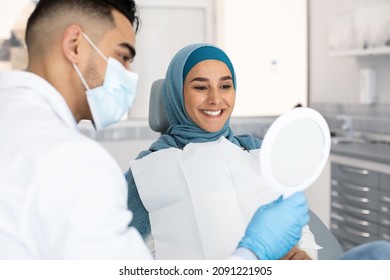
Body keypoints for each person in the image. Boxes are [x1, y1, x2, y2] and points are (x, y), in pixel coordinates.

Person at [0, 0, 309, 260]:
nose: (129, 76)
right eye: (122, 56)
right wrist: (254, 253)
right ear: (74, 45)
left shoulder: (255, 150)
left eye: (225, 86)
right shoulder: (79, 162)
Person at [126, 43, 318, 260]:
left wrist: (303, 255)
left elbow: (298, 228)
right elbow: (113, 251)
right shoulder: (149, 170)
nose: (215, 99)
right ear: (177, 93)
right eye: (201, 87)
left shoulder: (256, 150)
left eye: (225, 86)